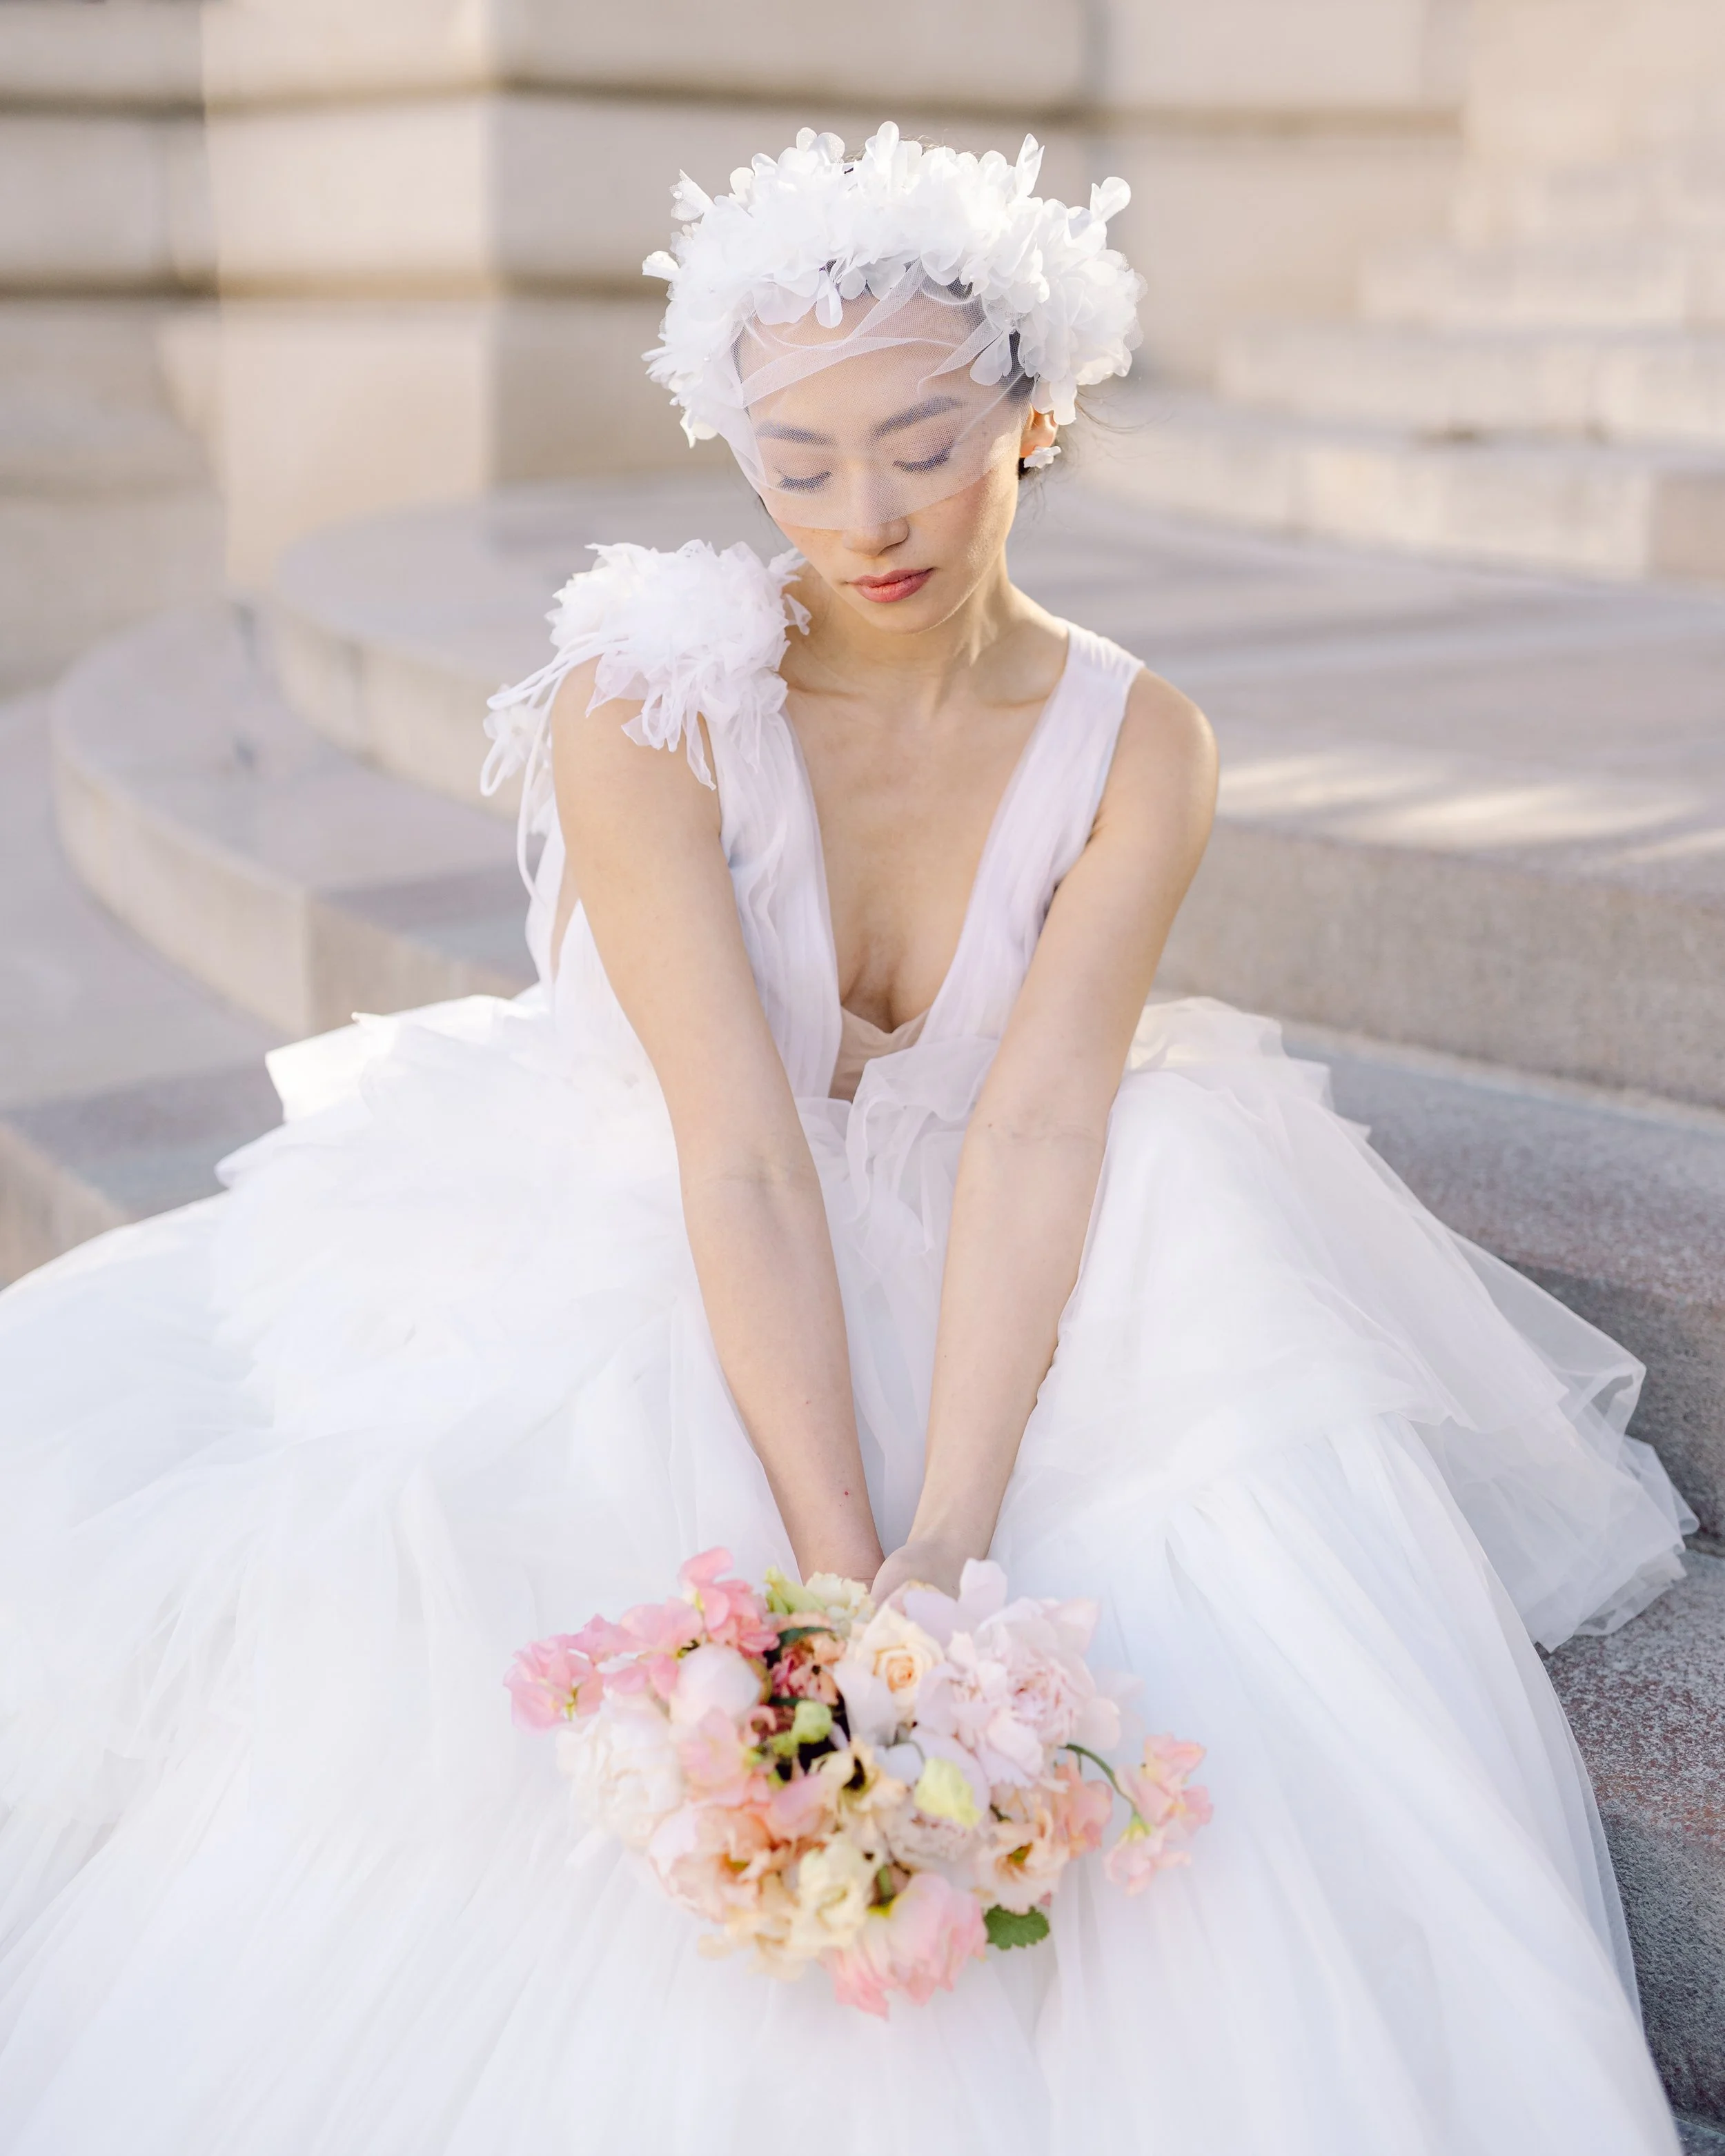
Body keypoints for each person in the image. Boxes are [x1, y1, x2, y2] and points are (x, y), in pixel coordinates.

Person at [0, 124, 1694, 2155]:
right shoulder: (648, 700)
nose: (861, 515)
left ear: (1036, 414)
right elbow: (734, 1146)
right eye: (795, 464)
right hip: (673, 1203)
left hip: (984, 1208)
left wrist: (949, 1549)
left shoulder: (1137, 742)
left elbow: (1044, 1117)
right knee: (570, 1500)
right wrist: (831, 1577)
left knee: (1202, 1433)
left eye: (920, 442)